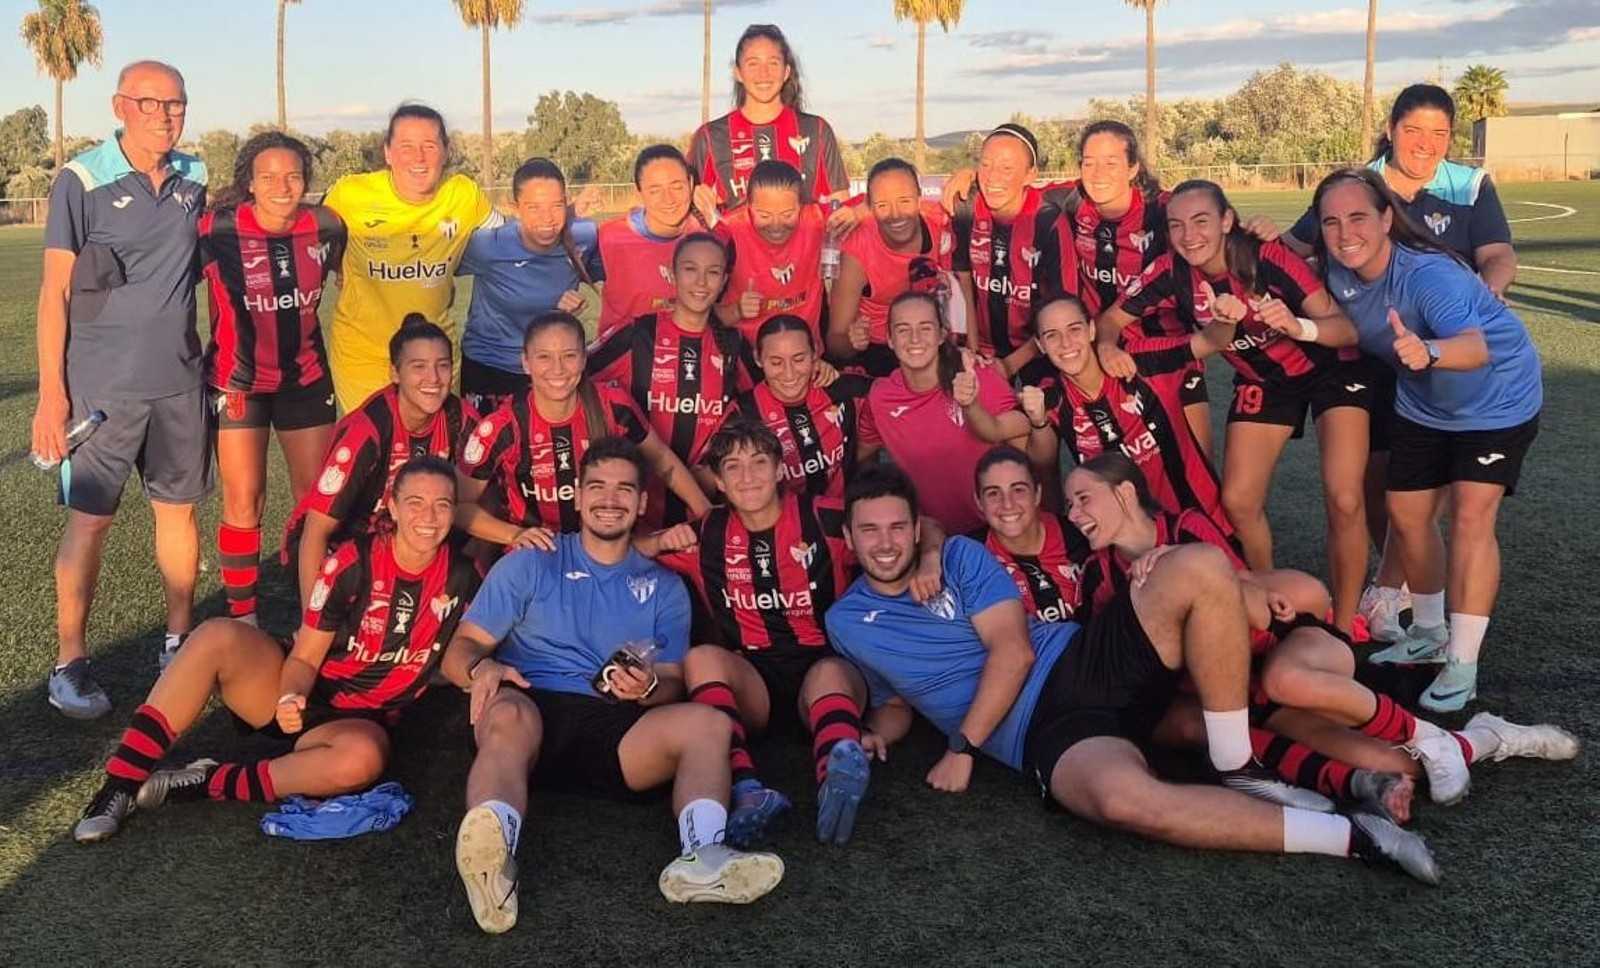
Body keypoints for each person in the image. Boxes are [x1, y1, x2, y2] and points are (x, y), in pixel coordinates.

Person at [826, 464, 1440, 884]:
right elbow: (896, 700)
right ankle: (1356, 837)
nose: (886, 541)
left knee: (1198, 565)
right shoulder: (846, 622)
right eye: (871, 529)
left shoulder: (959, 553)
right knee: (1122, 802)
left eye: (899, 526)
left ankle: (1237, 764)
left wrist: (963, 746)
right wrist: (876, 730)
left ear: (916, 527)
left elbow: (1012, 653)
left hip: (1078, 659)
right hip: (1050, 734)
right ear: (849, 536)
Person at [1068, 454, 1578, 811]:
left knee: (1291, 680)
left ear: (1126, 492)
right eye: (1070, 506)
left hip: (1289, 648)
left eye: (1084, 498)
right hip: (1242, 692)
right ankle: (1488, 736)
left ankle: (1430, 736)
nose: (1076, 514)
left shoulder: (1186, 528)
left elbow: (1255, 606)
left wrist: (1180, 568)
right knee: (1395, 764)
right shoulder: (1099, 577)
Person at [441, 439, 785, 934]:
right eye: (597, 488)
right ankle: (494, 866)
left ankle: (703, 856)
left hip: (616, 729)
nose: (610, 499)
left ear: (643, 503)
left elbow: (671, 681)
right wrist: (481, 670)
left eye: (625, 489)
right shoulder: (530, 560)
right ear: (577, 497)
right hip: (530, 708)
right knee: (507, 711)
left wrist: (647, 688)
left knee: (707, 722)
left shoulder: (664, 586)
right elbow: (463, 648)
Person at [72, 457, 480, 842]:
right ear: (391, 507)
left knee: (361, 761)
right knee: (216, 635)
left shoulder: (463, 578)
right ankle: (119, 785)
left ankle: (204, 782)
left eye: (442, 505)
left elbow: (468, 649)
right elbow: (303, 657)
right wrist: (291, 695)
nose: (428, 518)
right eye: (415, 503)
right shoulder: (353, 563)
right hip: (296, 686)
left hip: (360, 721)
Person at [1286, 84, 1519, 644]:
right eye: (1414, 130)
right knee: (1381, 481)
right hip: (1374, 356)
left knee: (1434, 493)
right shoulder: (1360, 186)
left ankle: (1391, 590)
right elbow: (1298, 246)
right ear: (1390, 130)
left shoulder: (1468, 184)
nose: (1427, 143)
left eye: (1440, 132)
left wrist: (1482, 301)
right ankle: (1400, 587)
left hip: (1445, 356)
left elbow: (1497, 254)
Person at [646, 420, 940, 846]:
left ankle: (834, 782)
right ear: (719, 482)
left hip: (822, 668)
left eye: (759, 463)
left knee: (831, 675)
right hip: (754, 680)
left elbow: (922, 525)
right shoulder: (705, 532)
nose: (748, 477)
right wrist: (656, 543)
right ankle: (746, 790)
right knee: (702, 658)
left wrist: (930, 559)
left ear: (781, 470)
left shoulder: (823, 516)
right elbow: (624, 548)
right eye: (733, 467)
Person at [1314, 167, 1543, 711]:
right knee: (1407, 515)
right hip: (1424, 405)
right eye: (1332, 221)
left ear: (1387, 218)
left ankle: (1463, 661)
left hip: (1497, 400)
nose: (1346, 232)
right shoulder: (1335, 271)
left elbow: (1474, 347)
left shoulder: (1427, 276)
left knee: (1469, 517)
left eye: (1359, 218)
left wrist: (1429, 352)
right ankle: (1430, 633)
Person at [1097, 180, 1372, 631]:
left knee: (1344, 497)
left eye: (1202, 221)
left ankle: (1343, 628)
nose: (1190, 236)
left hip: (1330, 368)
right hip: (1263, 379)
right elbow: (1110, 319)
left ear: (1227, 221)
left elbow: (1344, 329)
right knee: (1239, 502)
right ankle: (1268, 607)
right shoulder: (1171, 271)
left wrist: (1297, 326)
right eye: (1177, 225)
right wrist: (1108, 347)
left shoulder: (1267, 257)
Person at [35, 61, 211, 717]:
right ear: (120, 106)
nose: (166, 115)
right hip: (101, 391)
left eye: (177, 103)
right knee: (92, 521)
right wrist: (53, 396)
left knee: (179, 515)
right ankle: (69, 663)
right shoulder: (81, 179)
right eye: (151, 103)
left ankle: (178, 644)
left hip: (179, 385)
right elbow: (54, 293)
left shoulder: (196, 178)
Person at [943, 121, 1213, 456]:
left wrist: (1248, 225)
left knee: (1192, 462)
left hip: (1167, 351)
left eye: (1111, 162)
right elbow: (1011, 186)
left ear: (1133, 168)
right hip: (1100, 350)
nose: (1099, 172)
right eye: (1089, 162)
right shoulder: (1070, 200)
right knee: (1112, 465)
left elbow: (1206, 215)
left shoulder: (1162, 209)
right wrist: (969, 174)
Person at [199, 131, 346, 626]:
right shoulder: (215, 230)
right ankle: (244, 619)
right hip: (238, 381)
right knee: (245, 500)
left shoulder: (326, 225)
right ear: (250, 184)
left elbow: (345, 271)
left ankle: (315, 612)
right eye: (269, 177)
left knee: (316, 501)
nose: (282, 186)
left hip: (304, 378)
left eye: (293, 176)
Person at [456, 309, 710, 554]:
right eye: (544, 356)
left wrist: (706, 513)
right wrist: (514, 535)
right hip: (537, 558)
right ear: (525, 362)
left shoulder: (613, 405)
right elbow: (458, 504)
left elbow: (661, 459)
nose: (558, 369)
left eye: (569, 355)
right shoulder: (503, 426)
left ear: (584, 358)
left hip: (609, 551)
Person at [284, 316, 476, 607]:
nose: (434, 379)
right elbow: (315, 530)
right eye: (419, 367)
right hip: (344, 544)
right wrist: (312, 618)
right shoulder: (367, 429)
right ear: (395, 373)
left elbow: (480, 503)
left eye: (443, 365)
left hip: (409, 539)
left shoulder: (461, 418)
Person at [322, 103, 498, 411]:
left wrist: (564, 218)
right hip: (363, 356)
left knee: (435, 454)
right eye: (406, 146)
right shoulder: (350, 194)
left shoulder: (464, 194)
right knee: (376, 449)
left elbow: (511, 242)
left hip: (436, 358)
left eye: (429, 145)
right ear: (388, 152)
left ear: (447, 151)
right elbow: (311, 242)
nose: (418, 157)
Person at [588, 232, 759, 527]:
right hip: (633, 510)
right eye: (690, 269)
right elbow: (574, 381)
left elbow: (758, 409)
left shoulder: (733, 344)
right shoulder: (637, 334)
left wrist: (714, 467)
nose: (702, 282)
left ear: (724, 281)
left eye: (713, 272)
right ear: (672, 273)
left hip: (701, 508)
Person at [1018, 296, 1226, 527]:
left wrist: (1225, 320)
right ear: (1040, 345)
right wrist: (976, 400)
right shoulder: (1052, 395)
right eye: (1052, 335)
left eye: (1074, 329)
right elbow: (999, 431)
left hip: (1196, 521)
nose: (1065, 343)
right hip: (1127, 539)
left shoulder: (1142, 361)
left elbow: (1210, 341)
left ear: (1092, 330)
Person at [856, 292, 1028, 535]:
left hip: (997, 527)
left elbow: (1026, 432)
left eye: (925, 328)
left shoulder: (976, 375)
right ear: (890, 339)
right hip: (935, 536)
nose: (914, 339)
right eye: (903, 329)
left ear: (942, 334)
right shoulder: (880, 397)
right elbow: (862, 454)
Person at [455, 158, 602, 414]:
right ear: (515, 207)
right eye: (533, 207)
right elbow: (436, 265)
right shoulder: (489, 245)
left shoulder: (584, 237)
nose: (547, 218)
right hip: (489, 368)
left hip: (549, 370)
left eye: (556, 206)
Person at [948, 123, 1068, 380]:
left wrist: (1010, 365)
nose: (992, 178)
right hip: (980, 349)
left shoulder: (1048, 221)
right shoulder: (966, 207)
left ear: (1030, 174)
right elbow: (966, 287)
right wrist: (973, 351)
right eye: (986, 164)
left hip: (1036, 352)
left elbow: (1063, 310)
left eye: (1006, 168)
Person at [688, 23, 850, 210]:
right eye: (753, 64)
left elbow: (841, 207)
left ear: (786, 72)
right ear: (738, 73)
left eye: (773, 63)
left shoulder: (817, 130)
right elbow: (691, 209)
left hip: (808, 240)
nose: (763, 73)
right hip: (733, 241)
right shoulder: (710, 136)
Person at [827, 159, 959, 379]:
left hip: (931, 343)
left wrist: (967, 173)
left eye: (905, 201)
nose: (895, 214)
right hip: (879, 351)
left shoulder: (940, 221)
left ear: (919, 198)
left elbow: (989, 189)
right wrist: (854, 342)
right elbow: (835, 339)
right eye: (882, 205)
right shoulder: (858, 250)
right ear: (869, 206)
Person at [729, 314, 869, 502]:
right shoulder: (742, 413)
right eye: (776, 362)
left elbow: (905, 398)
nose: (789, 373)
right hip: (782, 526)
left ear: (815, 353)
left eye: (799, 359)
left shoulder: (841, 388)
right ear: (758, 359)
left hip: (841, 518)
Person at [594, 144, 714, 340]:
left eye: (677, 186)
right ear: (639, 192)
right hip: (624, 363)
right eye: (654, 190)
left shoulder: (709, 235)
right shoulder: (609, 237)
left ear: (691, 183)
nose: (668, 199)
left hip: (688, 361)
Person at [713, 160, 830, 346]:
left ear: (801, 205)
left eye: (787, 214)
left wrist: (856, 213)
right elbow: (698, 311)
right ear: (748, 205)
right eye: (764, 216)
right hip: (748, 356)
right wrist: (737, 310)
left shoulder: (815, 218)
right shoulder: (728, 232)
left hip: (805, 356)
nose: (776, 225)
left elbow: (864, 207)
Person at [970, 446, 1091, 624]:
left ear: (1037, 494)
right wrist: (930, 556)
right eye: (993, 493)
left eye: (1018, 490)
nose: (1008, 504)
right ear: (979, 502)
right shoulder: (971, 556)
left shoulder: (1080, 535)